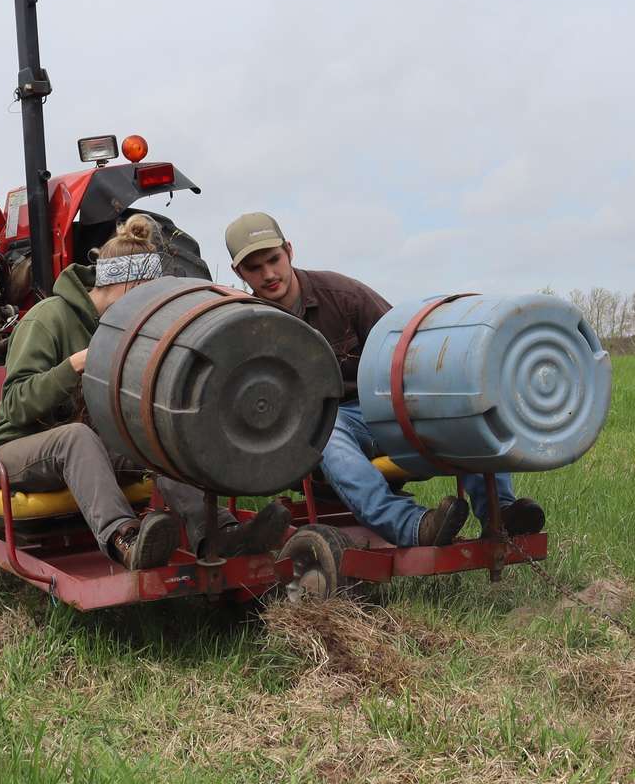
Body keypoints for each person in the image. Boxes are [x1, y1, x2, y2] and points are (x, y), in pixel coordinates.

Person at [0, 214, 290, 568]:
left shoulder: (125, 327)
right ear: (120, 284)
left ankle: (219, 533)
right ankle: (125, 540)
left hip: (90, 447)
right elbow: (14, 407)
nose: (145, 312)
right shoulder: (47, 319)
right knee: (75, 437)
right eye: (142, 298)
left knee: (156, 437)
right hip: (18, 449)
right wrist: (76, 365)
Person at [222, 212, 544, 547]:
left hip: (382, 408)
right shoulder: (246, 325)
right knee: (326, 432)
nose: (269, 274)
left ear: (289, 251)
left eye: (274, 259)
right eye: (254, 268)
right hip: (319, 429)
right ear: (238, 272)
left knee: (457, 406)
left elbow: (405, 346)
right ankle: (412, 525)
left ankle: (501, 515)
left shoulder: (343, 296)